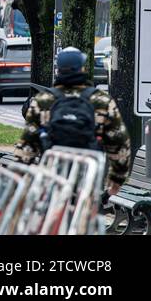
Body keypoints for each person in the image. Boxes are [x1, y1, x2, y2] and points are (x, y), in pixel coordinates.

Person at [16, 47, 131, 192]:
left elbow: (28, 142)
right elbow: (119, 141)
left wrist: (22, 171)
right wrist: (117, 177)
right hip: (88, 174)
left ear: (59, 70)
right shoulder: (101, 100)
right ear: (82, 69)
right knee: (86, 209)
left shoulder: (43, 100)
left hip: (52, 173)